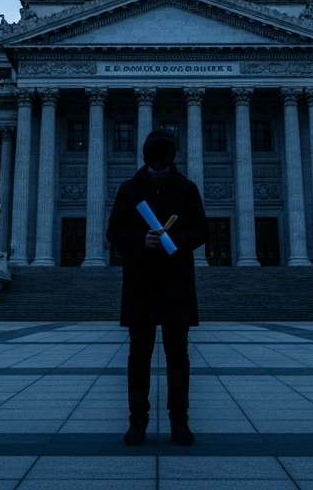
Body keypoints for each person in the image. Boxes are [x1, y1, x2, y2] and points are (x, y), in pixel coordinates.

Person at [106, 129, 206, 447]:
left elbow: (202, 231)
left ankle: (180, 422)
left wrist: (173, 240)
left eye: (164, 158)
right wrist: (142, 240)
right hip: (141, 283)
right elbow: (114, 231)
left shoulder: (187, 189)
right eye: (155, 158)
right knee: (139, 356)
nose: (160, 166)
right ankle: (138, 422)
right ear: (146, 158)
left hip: (176, 282)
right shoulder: (130, 190)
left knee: (178, 356)